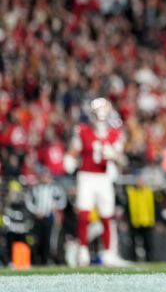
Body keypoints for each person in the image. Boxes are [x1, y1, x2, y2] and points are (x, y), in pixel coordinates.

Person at [64, 97, 128, 267]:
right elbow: (73, 152)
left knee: (107, 217)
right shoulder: (83, 131)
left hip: (104, 178)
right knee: (84, 216)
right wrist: (69, 160)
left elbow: (123, 161)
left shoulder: (115, 135)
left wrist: (114, 156)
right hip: (86, 176)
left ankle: (108, 253)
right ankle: (83, 251)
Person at [24, 167, 67, 265]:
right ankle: (36, 260)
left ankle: (46, 259)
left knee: (48, 239)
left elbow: (62, 200)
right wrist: (35, 211)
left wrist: (56, 207)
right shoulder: (35, 188)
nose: (45, 178)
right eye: (44, 176)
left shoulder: (55, 188)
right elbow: (29, 201)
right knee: (36, 239)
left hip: (49, 217)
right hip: (37, 218)